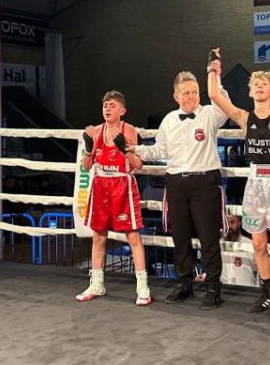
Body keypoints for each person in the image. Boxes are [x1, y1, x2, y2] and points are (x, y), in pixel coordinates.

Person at [208, 35, 270, 323]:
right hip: (255, 184)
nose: (260, 86)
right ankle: (264, 292)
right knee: (259, 244)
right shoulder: (243, 117)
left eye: (264, 83)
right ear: (250, 91)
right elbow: (214, 95)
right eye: (255, 84)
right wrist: (213, 67)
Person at [131, 65, 231, 309]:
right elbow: (159, 151)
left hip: (204, 181)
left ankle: (213, 288)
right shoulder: (168, 120)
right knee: (180, 237)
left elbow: (223, 104)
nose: (191, 96)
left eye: (195, 92)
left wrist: (215, 75)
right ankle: (184, 284)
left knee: (208, 238)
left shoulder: (210, 114)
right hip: (176, 182)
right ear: (176, 96)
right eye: (186, 92)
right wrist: (134, 149)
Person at [76, 90, 150, 306]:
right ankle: (97, 284)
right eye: (105, 105)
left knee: (133, 236)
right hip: (100, 184)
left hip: (122, 185)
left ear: (122, 110)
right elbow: (86, 167)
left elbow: (138, 165)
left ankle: (142, 287)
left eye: (112, 105)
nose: (107, 108)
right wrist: (88, 149)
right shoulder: (96, 131)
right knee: (98, 237)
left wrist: (124, 149)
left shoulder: (128, 130)